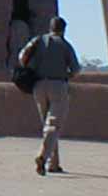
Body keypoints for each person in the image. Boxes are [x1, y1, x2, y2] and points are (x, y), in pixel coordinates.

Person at [19, 16, 80, 176]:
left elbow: (22, 57)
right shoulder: (65, 45)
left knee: (47, 126)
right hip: (58, 86)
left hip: (38, 86)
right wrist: (66, 74)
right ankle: (42, 157)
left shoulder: (38, 41)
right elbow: (75, 69)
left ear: (50, 27)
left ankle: (54, 163)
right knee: (53, 125)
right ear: (63, 29)